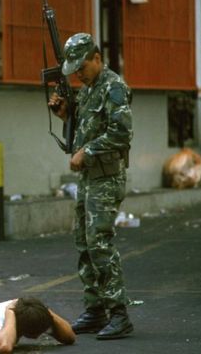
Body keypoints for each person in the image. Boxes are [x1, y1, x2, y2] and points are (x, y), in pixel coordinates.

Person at [48, 33, 134, 339]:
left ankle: (119, 313)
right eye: (75, 70)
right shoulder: (87, 91)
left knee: (99, 242)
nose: (79, 74)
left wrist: (88, 151)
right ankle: (95, 309)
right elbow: (81, 134)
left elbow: (121, 134)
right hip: (88, 178)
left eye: (82, 67)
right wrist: (64, 115)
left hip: (107, 176)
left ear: (97, 58)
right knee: (83, 242)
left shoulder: (113, 87)